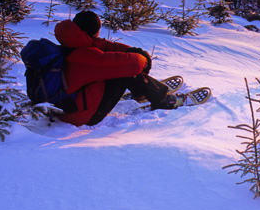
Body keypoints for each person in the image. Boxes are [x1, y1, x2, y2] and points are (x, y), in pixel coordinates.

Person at [53, 10, 183, 126]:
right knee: (124, 70)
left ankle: (141, 92)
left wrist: (130, 50)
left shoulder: (69, 44)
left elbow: (102, 45)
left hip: (66, 106)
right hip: (81, 117)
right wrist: (145, 60)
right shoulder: (89, 57)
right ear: (95, 31)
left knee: (118, 66)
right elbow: (133, 64)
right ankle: (162, 100)